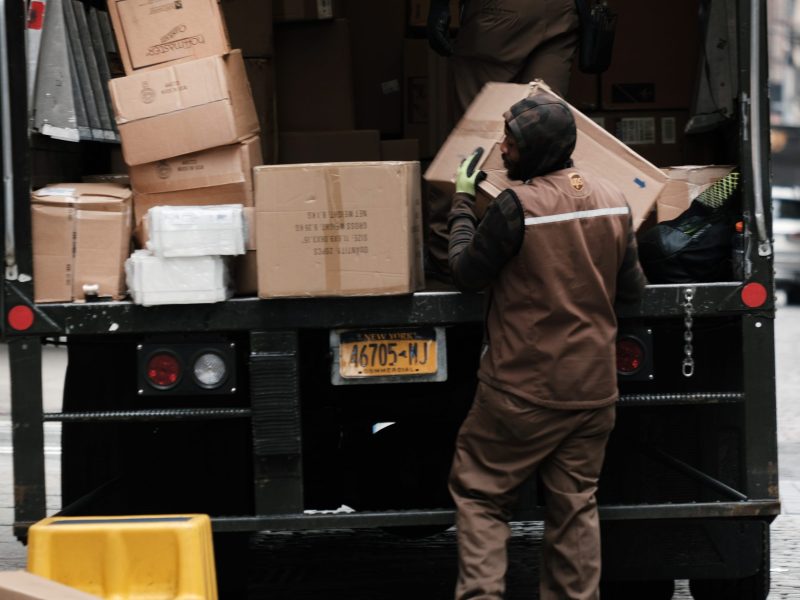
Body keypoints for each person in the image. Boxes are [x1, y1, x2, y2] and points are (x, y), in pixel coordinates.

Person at [446, 88, 647, 599]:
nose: (502, 150)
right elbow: (633, 291)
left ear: (532, 151)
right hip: (593, 392)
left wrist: (464, 201)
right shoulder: (613, 199)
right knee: (575, 504)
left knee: (481, 495)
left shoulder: (517, 207)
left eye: (509, 143)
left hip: (522, 390)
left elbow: (467, 272)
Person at [424, 0, 581, 281]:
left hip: (501, 12)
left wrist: (439, 6)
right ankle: (533, 249)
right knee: (543, 132)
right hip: (563, 10)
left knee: (474, 133)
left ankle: (445, 254)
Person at [427, 0, 580, 118]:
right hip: (563, 10)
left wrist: (439, 6)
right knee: (542, 114)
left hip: (504, 11)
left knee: (481, 120)